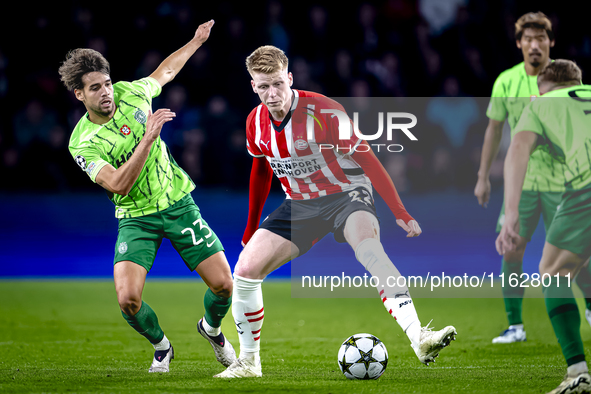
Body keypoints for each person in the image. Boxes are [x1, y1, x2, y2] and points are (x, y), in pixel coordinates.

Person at [214, 45, 457, 378]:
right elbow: (261, 170)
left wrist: (399, 210)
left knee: (370, 250)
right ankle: (249, 362)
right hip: (300, 203)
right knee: (244, 272)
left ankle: (419, 337)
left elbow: (368, 158)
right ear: (253, 86)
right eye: (263, 86)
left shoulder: (325, 112)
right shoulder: (254, 122)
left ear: (289, 78)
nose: (272, 94)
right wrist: (251, 227)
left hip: (346, 194)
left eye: (277, 84)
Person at [59, 20, 236, 373]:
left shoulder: (131, 93)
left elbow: (164, 72)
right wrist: (148, 137)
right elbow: (119, 184)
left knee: (224, 286)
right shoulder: (82, 143)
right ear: (80, 95)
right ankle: (162, 346)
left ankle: (212, 330)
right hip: (135, 217)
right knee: (128, 300)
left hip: (176, 203)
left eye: (107, 83)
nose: (106, 92)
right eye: (95, 88)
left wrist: (196, 41)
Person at [474, 12, 591, 343]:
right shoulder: (505, 82)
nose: (535, 45)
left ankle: (589, 309)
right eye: (528, 39)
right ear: (519, 44)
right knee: (511, 249)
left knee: (577, 252)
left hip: (565, 183)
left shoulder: (565, 79)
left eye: (541, 39)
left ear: (550, 42)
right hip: (523, 184)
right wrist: (483, 176)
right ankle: (515, 325)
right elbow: (494, 130)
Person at [497, 59, 591, 394]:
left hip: (586, 188)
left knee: (553, 272)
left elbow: (518, 149)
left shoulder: (540, 104)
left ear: (546, 86)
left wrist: (511, 213)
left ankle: (578, 373)